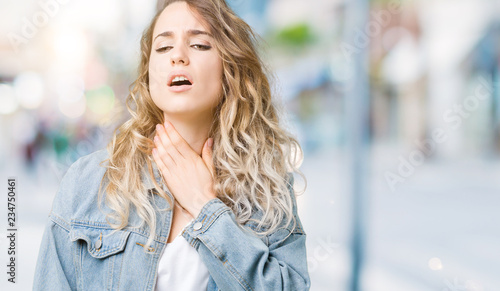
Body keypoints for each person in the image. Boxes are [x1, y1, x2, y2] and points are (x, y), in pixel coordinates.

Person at [33, 0, 310, 290]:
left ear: (230, 69)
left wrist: (206, 208)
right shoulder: (87, 182)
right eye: (163, 48)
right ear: (149, 72)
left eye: (200, 45)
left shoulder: (267, 187)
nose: (177, 56)